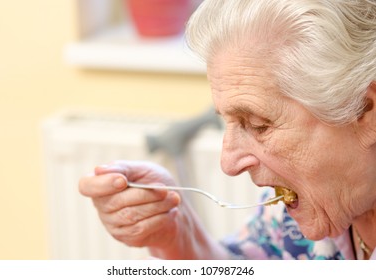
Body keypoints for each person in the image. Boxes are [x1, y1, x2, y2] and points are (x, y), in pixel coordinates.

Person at [79, 0, 376, 260]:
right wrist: (178, 236)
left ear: (366, 110)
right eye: (227, 122)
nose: (228, 163)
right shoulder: (298, 203)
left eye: (259, 125)